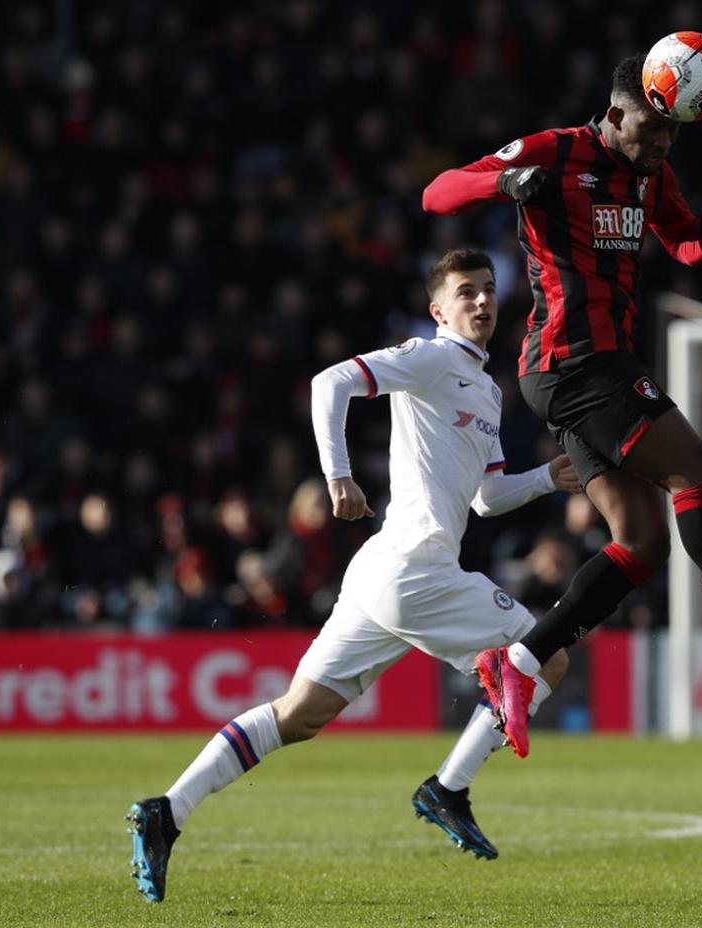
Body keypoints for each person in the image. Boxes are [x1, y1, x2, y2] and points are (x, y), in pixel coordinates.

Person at [423, 53, 702, 756]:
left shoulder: (651, 174)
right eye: (653, 129)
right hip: (574, 359)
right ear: (618, 111)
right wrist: (503, 181)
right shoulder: (555, 152)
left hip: (595, 363)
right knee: (701, 471)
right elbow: (438, 193)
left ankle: (519, 663)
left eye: (672, 134)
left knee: (642, 543)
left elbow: (679, 242)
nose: (661, 144)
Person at [126, 248, 578, 902]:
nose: (481, 302)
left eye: (487, 291)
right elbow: (329, 382)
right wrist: (337, 474)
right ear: (438, 309)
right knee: (549, 656)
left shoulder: (484, 388)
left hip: (389, 573)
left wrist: (546, 479)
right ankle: (449, 787)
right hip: (415, 572)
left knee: (300, 715)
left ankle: (166, 812)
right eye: (466, 293)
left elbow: (486, 496)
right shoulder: (429, 356)